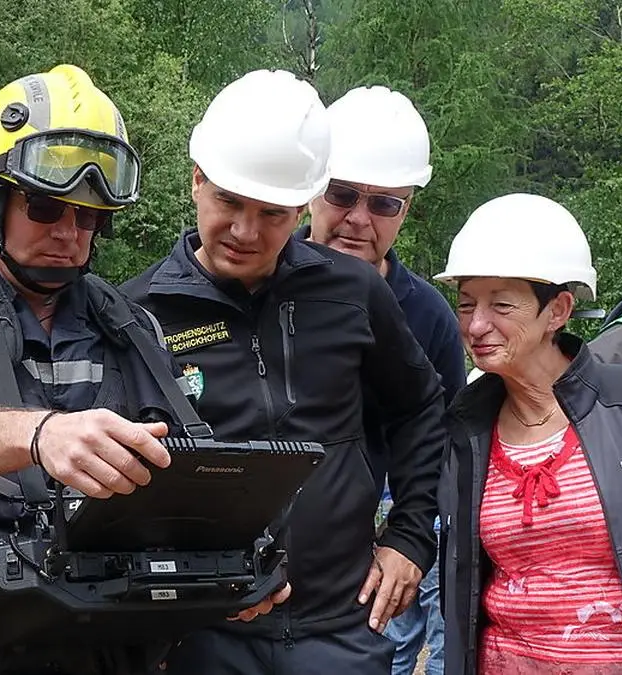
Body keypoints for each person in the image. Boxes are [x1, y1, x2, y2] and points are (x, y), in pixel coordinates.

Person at [0, 64, 289, 675]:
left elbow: (178, 469)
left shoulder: (133, 326)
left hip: (104, 646)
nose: (69, 233)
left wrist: (232, 564)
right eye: (47, 207)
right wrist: (39, 435)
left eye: (88, 217)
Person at [123, 69, 446, 675]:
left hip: (342, 629)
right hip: (206, 633)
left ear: (302, 206)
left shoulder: (352, 293)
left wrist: (409, 538)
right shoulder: (139, 314)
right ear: (197, 180)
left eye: (272, 213)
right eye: (229, 202)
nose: (246, 231)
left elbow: (421, 409)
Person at [304, 85, 462, 675]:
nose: (357, 219)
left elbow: (442, 443)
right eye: (342, 194)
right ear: (312, 189)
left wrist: (408, 538)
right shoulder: (259, 285)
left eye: (384, 204)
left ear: (407, 209)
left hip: (377, 547)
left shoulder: (427, 317)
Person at [436, 193, 622, 675]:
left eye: (501, 304)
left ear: (558, 310)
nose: (477, 325)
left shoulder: (618, 408)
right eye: (466, 304)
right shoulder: (468, 428)